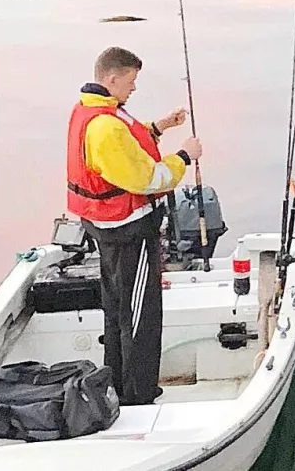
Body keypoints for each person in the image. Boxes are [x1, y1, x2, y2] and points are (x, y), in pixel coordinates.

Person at [65, 47, 203, 405]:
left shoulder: (90, 110)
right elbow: (147, 178)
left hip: (103, 226)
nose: (134, 89)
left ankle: (116, 382)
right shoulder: (106, 127)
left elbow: (126, 145)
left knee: (116, 307)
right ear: (112, 79)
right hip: (128, 230)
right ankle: (139, 395)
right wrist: (185, 157)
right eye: (131, 81)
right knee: (140, 315)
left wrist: (159, 128)